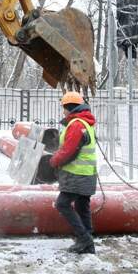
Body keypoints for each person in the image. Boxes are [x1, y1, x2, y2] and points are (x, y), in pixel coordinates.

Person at [49, 91, 97, 254]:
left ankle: (84, 239)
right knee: (82, 206)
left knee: (62, 204)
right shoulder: (85, 123)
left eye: (64, 108)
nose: (63, 111)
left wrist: (54, 160)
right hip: (87, 173)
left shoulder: (77, 124)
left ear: (69, 107)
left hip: (76, 175)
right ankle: (88, 245)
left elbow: (70, 151)